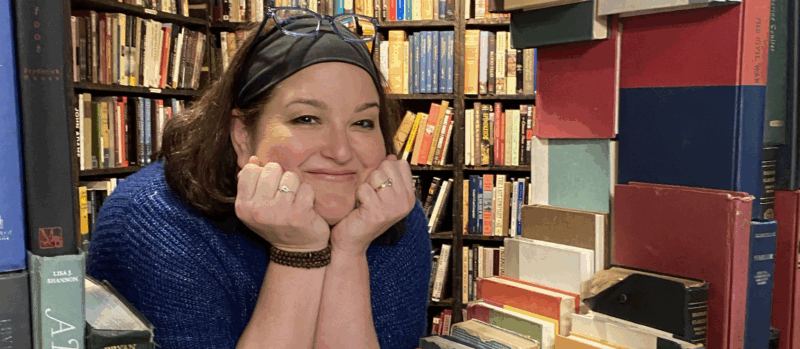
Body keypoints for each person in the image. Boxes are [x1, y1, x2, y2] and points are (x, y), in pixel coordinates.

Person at [86, 8, 433, 349]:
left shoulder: (389, 216)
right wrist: (297, 252)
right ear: (241, 134)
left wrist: (348, 250)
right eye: (307, 119)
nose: (341, 151)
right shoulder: (154, 218)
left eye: (363, 123)